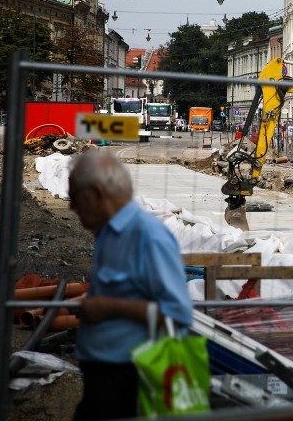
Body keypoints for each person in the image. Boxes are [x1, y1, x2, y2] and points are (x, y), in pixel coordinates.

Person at [68, 149, 194, 420]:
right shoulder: (108, 233)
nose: (72, 208)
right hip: (102, 373)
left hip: (128, 378)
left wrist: (109, 306)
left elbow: (178, 312)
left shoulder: (148, 236)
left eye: (75, 198)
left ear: (98, 194)